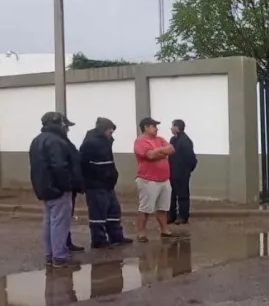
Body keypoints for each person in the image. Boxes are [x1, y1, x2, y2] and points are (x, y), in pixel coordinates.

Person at [29, 112, 83, 268]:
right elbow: (60, 166)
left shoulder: (38, 140)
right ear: (60, 124)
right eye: (66, 125)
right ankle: (59, 257)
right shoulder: (57, 141)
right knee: (59, 222)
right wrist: (68, 185)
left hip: (45, 187)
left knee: (49, 221)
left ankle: (50, 255)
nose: (67, 129)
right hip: (58, 188)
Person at [79, 117, 133, 248]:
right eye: (110, 131)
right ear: (103, 129)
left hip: (108, 184)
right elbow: (83, 164)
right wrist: (94, 178)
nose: (112, 134)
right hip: (96, 185)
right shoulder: (90, 143)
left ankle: (116, 236)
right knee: (98, 214)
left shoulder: (105, 142)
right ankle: (99, 240)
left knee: (113, 211)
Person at [133, 117, 176, 242]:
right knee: (145, 208)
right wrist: (163, 152)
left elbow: (171, 149)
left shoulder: (160, 139)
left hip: (164, 179)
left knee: (163, 208)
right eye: (154, 126)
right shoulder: (140, 141)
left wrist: (158, 151)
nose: (156, 129)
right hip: (148, 180)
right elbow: (150, 155)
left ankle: (164, 230)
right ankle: (141, 232)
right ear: (145, 127)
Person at [168, 119, 197, 225]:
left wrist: (187, 170)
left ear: (177, 127)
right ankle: (171, 215)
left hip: (182, 173)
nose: (171, 128)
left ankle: (183, 216)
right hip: (172, 172)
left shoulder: (185, 141)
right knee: (171, 195)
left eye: (173, 126)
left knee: (182, 195)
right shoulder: (173, 140)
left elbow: (191, 159)